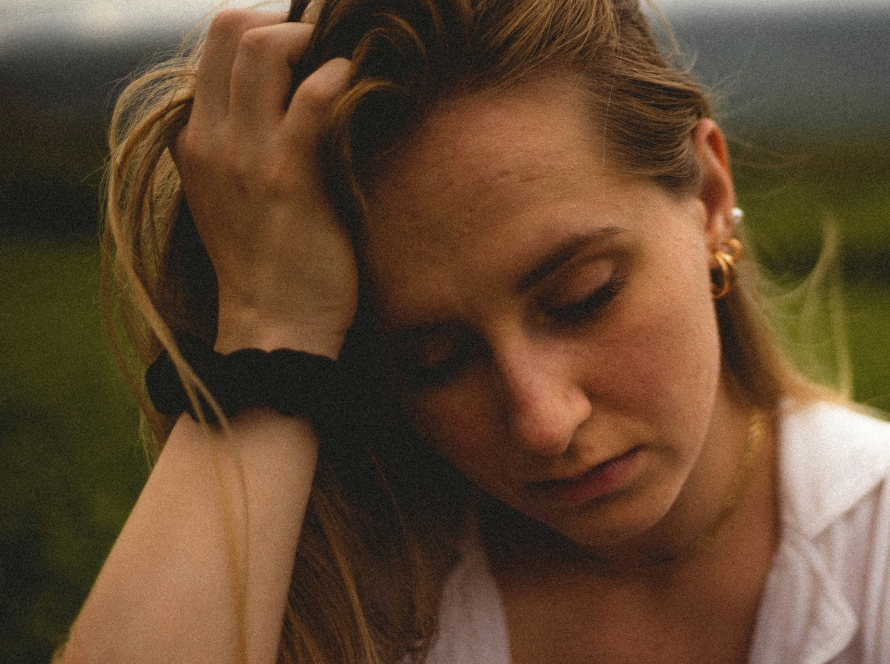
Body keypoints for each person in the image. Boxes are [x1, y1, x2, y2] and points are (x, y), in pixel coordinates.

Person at [59, 0, 890, 662]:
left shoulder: (873, 543)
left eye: (583, 297)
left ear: (708, 196)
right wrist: (266, 334)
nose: (544, 423)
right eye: (435, 359)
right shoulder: (359, 590)